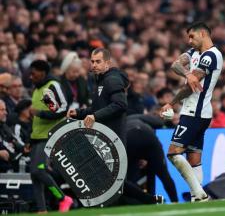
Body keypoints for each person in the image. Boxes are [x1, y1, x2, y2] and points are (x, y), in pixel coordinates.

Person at [67, 48, 163, 205]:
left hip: (113, 136)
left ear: (107, 63)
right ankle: (150, 200)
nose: (94, 65)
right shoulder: (101, 80)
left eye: (98, 61)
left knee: (114, 181)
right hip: (105, 136)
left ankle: (149, 200)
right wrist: (78, 113)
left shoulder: (111, 80)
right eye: (92, 61)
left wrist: (95, 116)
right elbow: (98, 108)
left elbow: (120, 104)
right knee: (112, 180)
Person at [160, 22, 223, 202]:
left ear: (202, 34)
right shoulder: (194, 53)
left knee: (173, 153)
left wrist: (171, 103)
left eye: (192, 37)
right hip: (199, 113)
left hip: (195, 112)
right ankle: (197, 197)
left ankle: (200, 194)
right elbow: (175, 65)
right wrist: (188, 74)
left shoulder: (212, 55)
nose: (189, 41)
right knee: (194, 158)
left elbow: (191, 86)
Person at [28, 60, 73, 212]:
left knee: (38, 170)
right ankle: (42, 210)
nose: (30, 76)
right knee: (35, 176)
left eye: (33, 73)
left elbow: (61, 110)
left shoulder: (51, 86)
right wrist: (30, 139)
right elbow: (39, 118)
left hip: (49, 137)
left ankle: (63, 198)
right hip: (37, 138)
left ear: (42, 72)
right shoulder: (36, 91)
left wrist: (39, 113)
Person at [126, 115, 178, 203]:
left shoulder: (125, 120)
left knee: (129, 179)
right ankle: (175, 202)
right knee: (163, 174)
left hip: (129, 139)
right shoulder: (141, 117)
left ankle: (144, 201)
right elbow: (159, 123)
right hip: (148, 136)